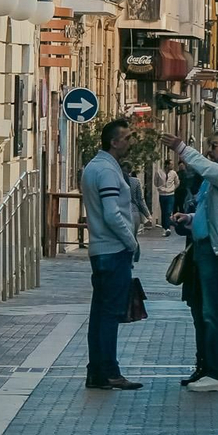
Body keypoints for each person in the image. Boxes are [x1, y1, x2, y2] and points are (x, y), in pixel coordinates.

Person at [163, 130, 218, 392]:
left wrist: (182, 148)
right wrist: (189, 219)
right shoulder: (216, 177)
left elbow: (213, 172)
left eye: (215, 146)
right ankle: (210, 368)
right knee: (205, 311)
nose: (210, 150)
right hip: (205, 248)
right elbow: (208, 211)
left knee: (215, 311)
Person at [80, 119, 143, 390]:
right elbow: (112, 213)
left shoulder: (95, 167)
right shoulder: (107, 170)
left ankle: (97, 371)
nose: (130, 142)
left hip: (100, 249)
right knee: (109, 316)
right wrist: (131, 242)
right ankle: (109, 372)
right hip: (112, 249)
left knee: (100, 315)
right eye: (127, 138)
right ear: (114, 142)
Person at [155, 157, 180, 238]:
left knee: (169, 211)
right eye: (171, 164)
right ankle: (164, 228)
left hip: (170, 194)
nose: (172, 165)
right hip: (162, 194)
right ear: (166, 165)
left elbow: (177, 182)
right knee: (164, 211)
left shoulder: (173, 173)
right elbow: (155, 182)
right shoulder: (159, 172)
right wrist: (160, 188)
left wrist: (172, 189)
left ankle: (168, 228)